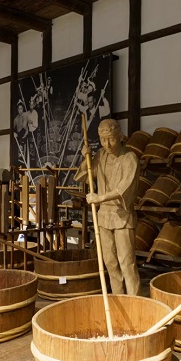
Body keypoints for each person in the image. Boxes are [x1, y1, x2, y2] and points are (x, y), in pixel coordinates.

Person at [74, 118, 141, 296]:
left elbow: (123, 188)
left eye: (111, 139)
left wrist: (100, 197)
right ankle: (118, 299)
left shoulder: (130, 158)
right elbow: (83, 176)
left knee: (126, 262)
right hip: (104, 217)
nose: (107, 144)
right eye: (103, 140)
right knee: (110, 263)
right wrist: (85, 157)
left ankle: (134, 301)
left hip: (122, 217)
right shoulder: (101, 156)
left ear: (120, 136)